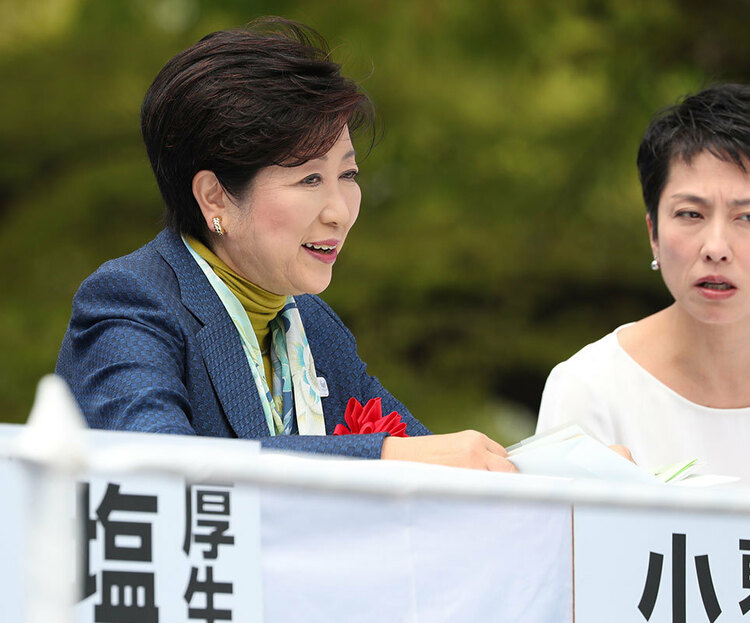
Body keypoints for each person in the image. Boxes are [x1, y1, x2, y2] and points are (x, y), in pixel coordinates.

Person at [55, 17, 515, 472]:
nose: (340, 210)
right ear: (215, 196)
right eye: (309, 178)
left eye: (348, 175)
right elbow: (160, 468)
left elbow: (436, 460)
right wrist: (382, 454)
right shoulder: (131, 303)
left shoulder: (313, 324)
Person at [537, 83, 750, 495]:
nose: (716, 248)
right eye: (690, 213)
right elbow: (559, 554)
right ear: (654, 233)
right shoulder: (589, 387)